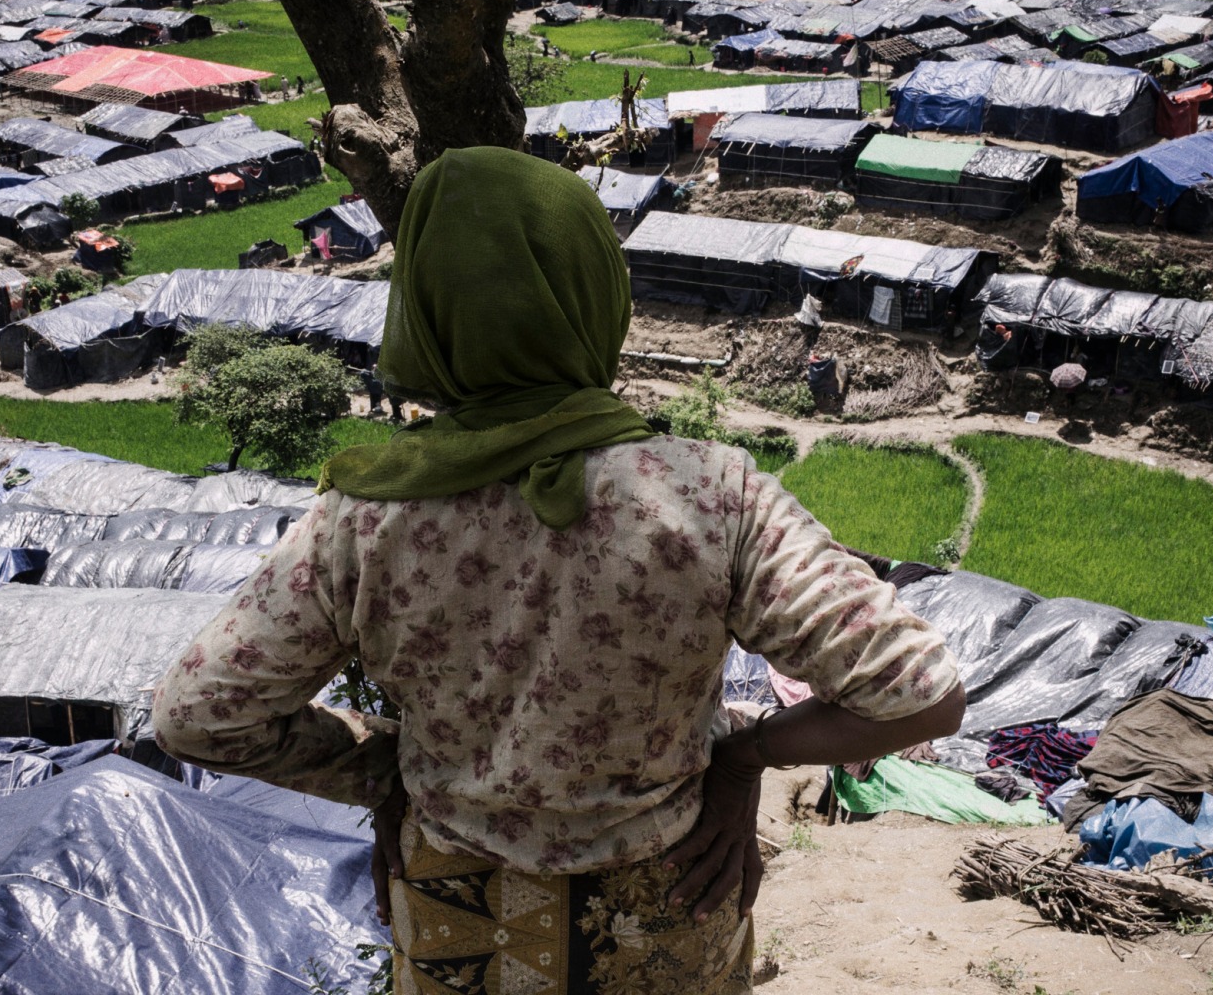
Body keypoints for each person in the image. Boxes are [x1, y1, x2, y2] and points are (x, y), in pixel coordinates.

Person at [153, 147, 964, 995]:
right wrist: (742, 756)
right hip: (668, 906)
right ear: (595, 296)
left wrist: (384, 770)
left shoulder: (363, 517)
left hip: (458, 916)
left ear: (426, 313)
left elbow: (198, 718)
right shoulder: (712, 495)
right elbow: (921, 694)